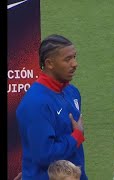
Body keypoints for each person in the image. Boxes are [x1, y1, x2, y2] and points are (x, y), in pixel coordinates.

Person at [16, 34, 87, 179]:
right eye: (67, 59)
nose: (75, 64)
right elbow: (44, 155)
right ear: (49, 63)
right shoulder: (35, 104)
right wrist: (76, 137)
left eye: (74, 57)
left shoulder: (72, 92)